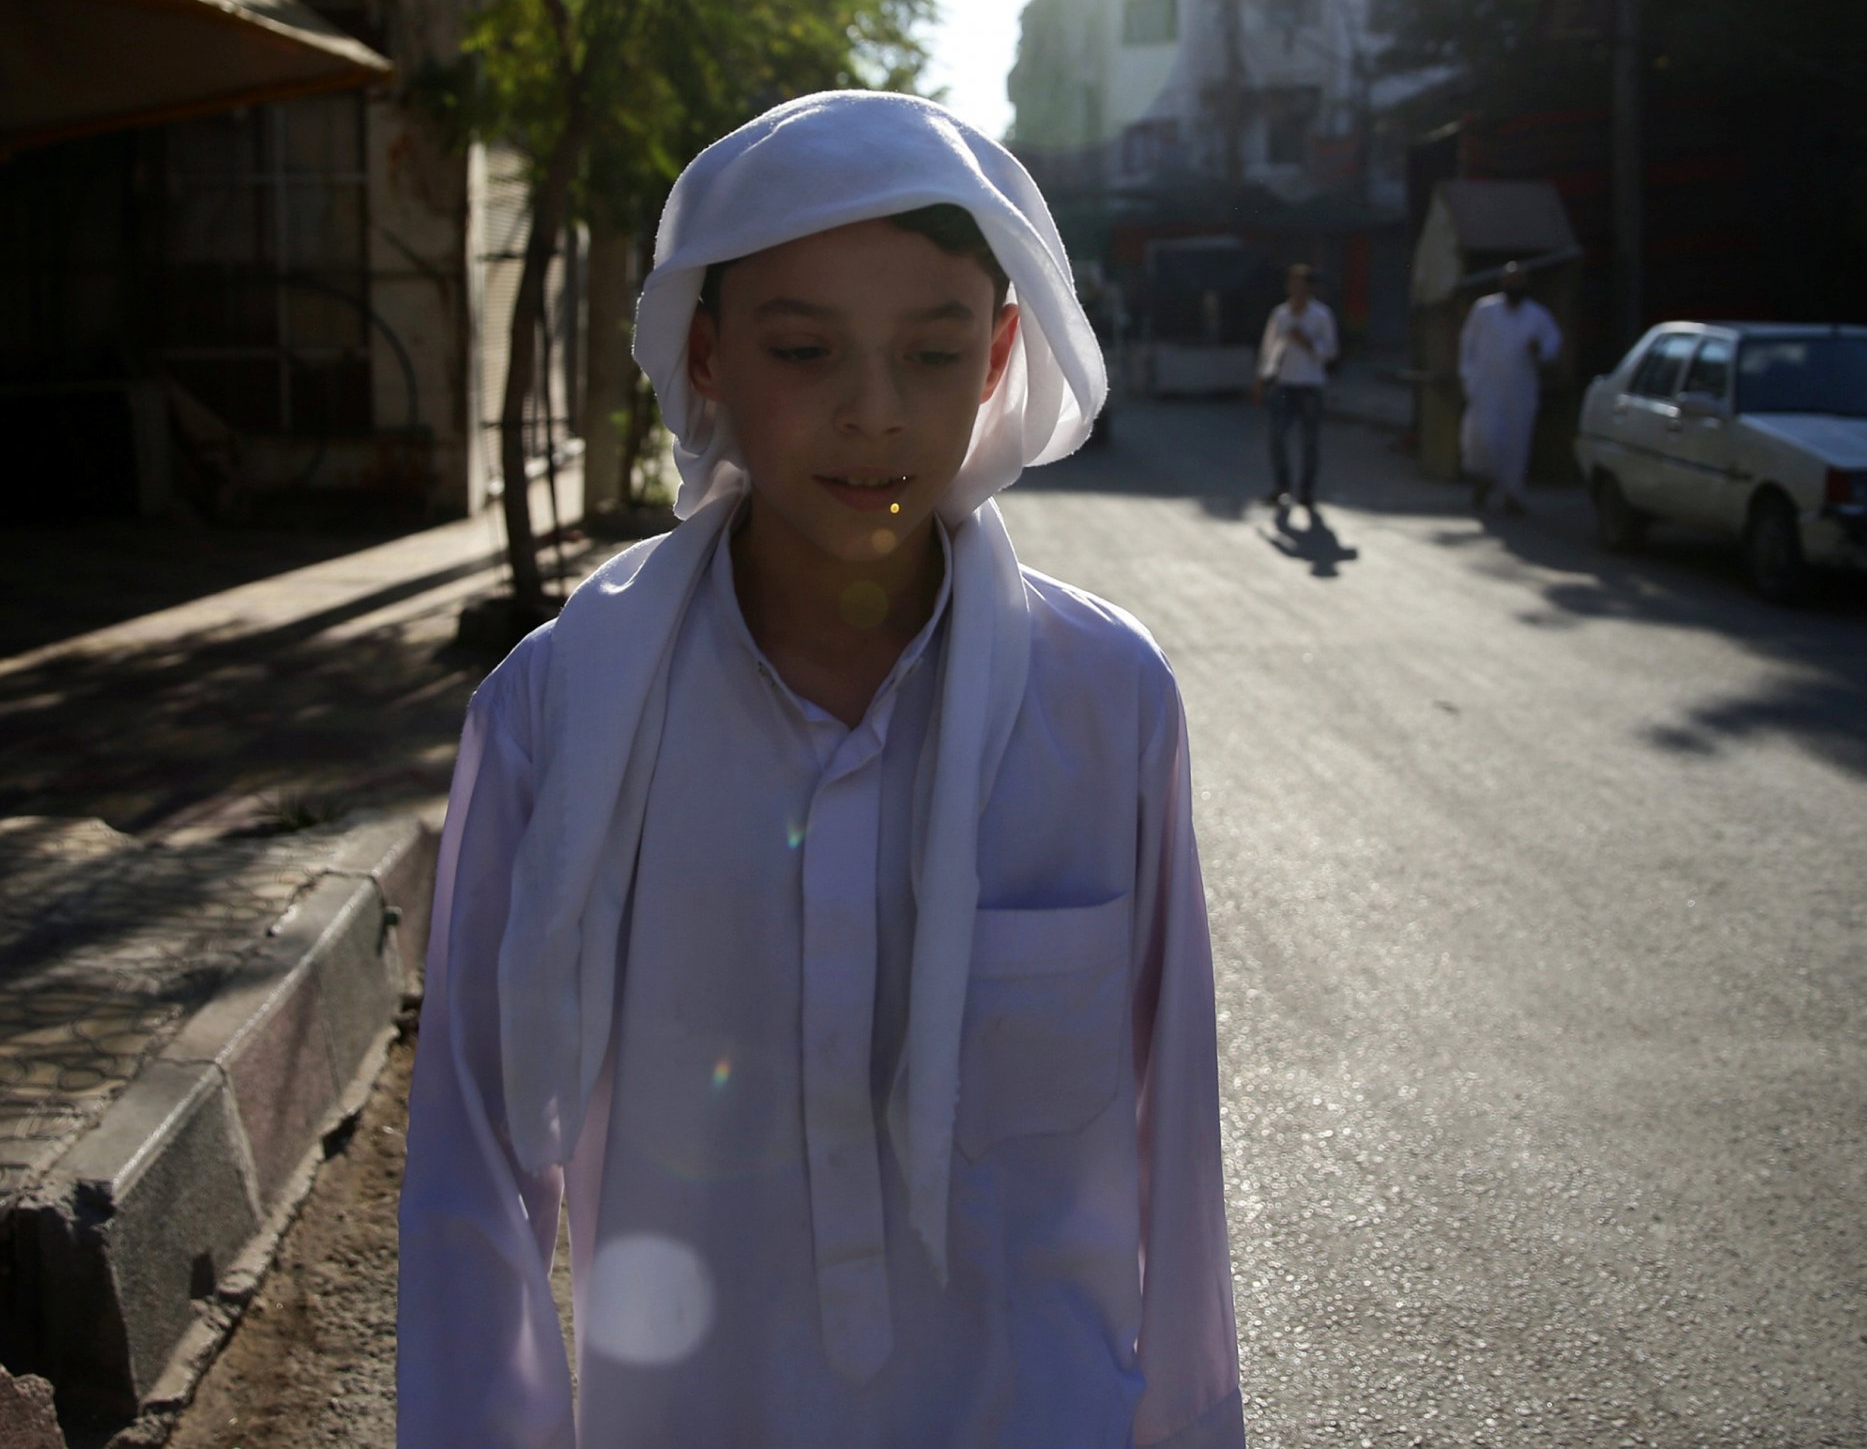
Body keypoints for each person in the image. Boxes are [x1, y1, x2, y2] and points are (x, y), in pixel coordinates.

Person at [397, 93, 1242, 1449]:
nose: (874, 413)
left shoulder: (1108, 704)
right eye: (806, 348)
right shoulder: (556, 714)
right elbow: (472, 1175)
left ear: (1000, 351)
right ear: (710, 353)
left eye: (930, 350)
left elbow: (1175, 1147)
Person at [1457, 261, 1563, 515]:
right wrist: (1469, 378)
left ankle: (1511, 495)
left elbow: (1553, 343)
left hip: (1520, 390)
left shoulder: (1536, 315)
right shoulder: (1484, 310)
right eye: (1510, 281)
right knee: (1486, 438)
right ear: (1502, 283)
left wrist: (1542, 352)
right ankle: (1484, 480)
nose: (1514, 286)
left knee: (1517, 444)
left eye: (1519, 282)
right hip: (1486, 388)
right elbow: (1467, 345)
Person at [1250, 263, 1337, 507]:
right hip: (1284, 384)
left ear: (1309, 288)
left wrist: (1307, 342)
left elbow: (1330, 351)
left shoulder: (1321, 316)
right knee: (1277, 437)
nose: (1296, 289)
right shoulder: (1280, 314)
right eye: (1293, 283)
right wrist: (1260, 379)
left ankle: (1306, 490)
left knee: (1309, 442)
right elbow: (1269, 348)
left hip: (1310, 384)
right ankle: (1282, 485)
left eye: (1301, 284)